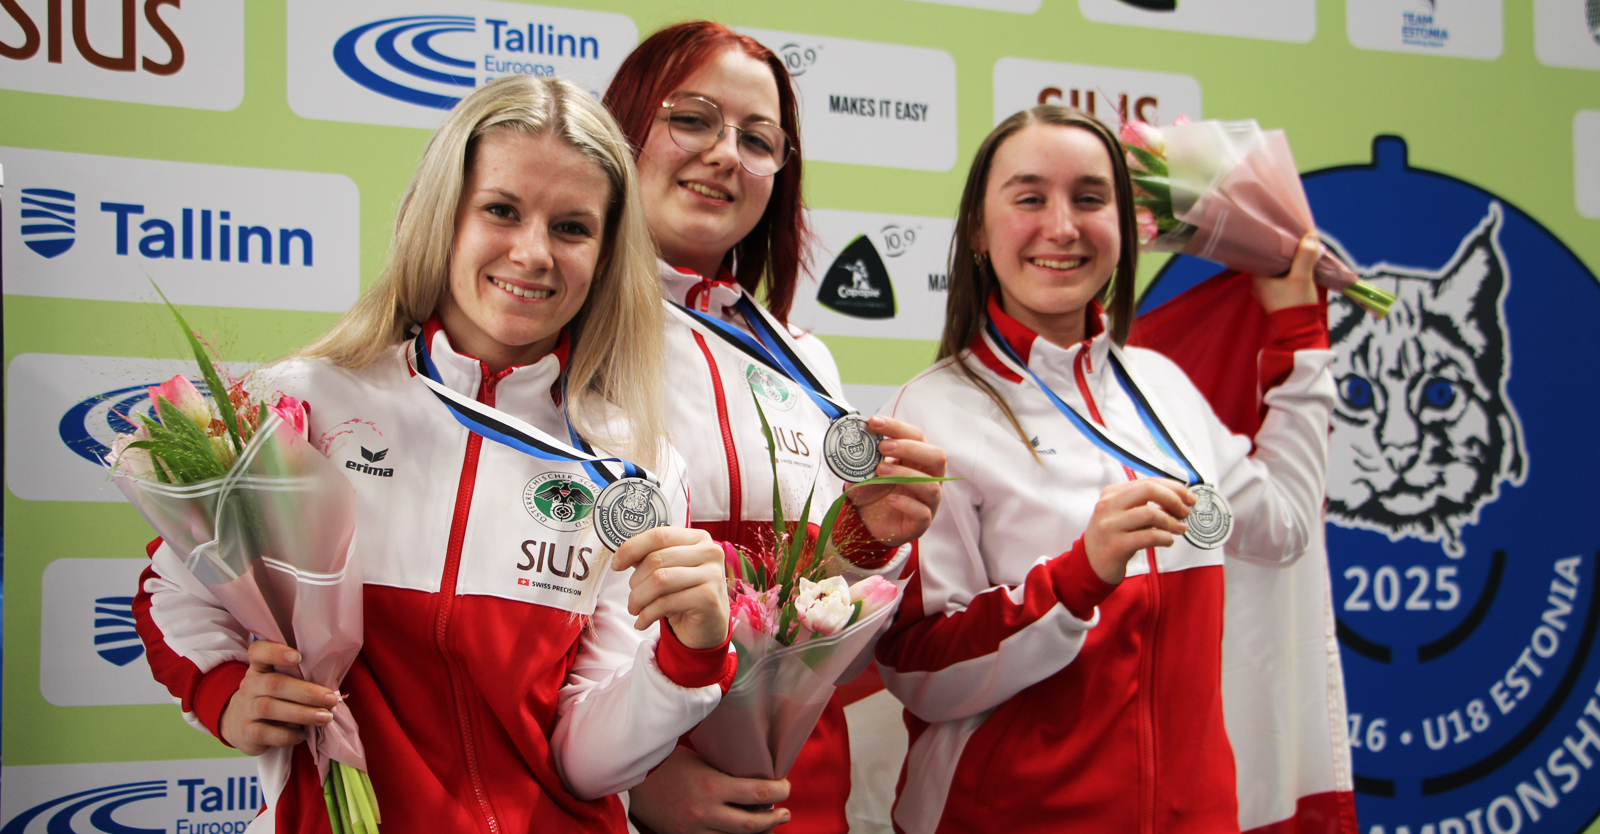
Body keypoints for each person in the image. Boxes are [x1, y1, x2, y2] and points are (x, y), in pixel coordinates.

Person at [132, 76, 737, 834]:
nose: (534, 253)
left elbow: (586, 763)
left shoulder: (635, 467)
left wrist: (689, 658)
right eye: (502, 210)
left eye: (573, 228)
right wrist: (224, 693)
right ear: (442, 215)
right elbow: (173, 591)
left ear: (607, 251)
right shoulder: (305, 406)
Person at [873, 104, 1334, 833]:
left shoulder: (1164, 386)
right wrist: (1076, 576)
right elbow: (918, 672)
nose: (1063, 226)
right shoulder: (936, 412)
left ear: (1122, 227)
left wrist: (1299, 338)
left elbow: (1281, 527)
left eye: (1090, 199)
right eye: (1029, 198)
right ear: (977, 234)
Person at [602, 21, 947, 834]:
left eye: (758, 139)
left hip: (796, 795)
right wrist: (631, 784)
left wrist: (866, 541)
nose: (726, 153)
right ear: (623, 129)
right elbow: (512, 612)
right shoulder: (554, 335)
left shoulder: (805, 363)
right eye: (692, 118)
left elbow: (822, 630)